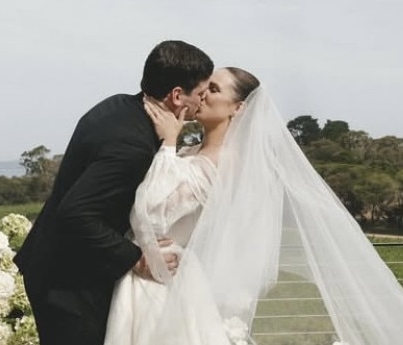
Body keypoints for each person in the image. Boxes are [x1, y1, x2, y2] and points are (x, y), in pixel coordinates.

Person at [106, 66, 403, 345]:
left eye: (214, 88)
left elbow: (155, 214)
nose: (202, 93)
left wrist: (168, 143)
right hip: (151, 271)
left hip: (163, 278)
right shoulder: (190, 150)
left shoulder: (225, 161)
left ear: (238, 108)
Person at [13, 40, 213, 345]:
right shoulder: (131, 146)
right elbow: (75, 213)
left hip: (54, 265)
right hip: (68, 283)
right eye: (199, 94)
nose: (202, 102)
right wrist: (136, 258)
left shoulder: (119, 105)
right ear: (176, 96)